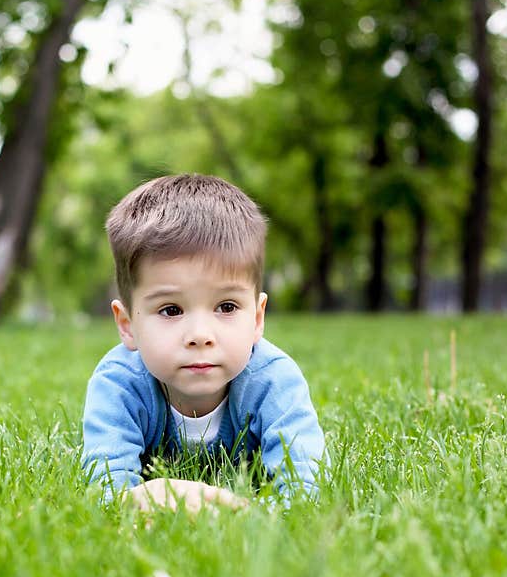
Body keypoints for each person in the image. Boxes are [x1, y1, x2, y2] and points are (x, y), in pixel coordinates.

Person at [81, 173, 326, 514]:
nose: (200, 334)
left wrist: (240, 512)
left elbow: (305, 492)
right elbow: (106, 490)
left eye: (226, 307)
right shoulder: (119, 384)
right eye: (171, 310)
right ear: (128, 325)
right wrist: (145, 499)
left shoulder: (273, 382)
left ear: (257, 318)